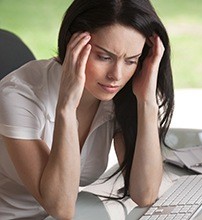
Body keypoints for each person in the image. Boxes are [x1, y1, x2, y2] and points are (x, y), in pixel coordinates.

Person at [0, 0, 174, 219]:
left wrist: (146, 101)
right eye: (103, 57)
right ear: (72, 44)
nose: (116, 75)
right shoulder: (18, 95)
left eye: (131, 60)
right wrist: (67, 107)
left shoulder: (118, 96)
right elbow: (60, 207)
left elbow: (145, 193)